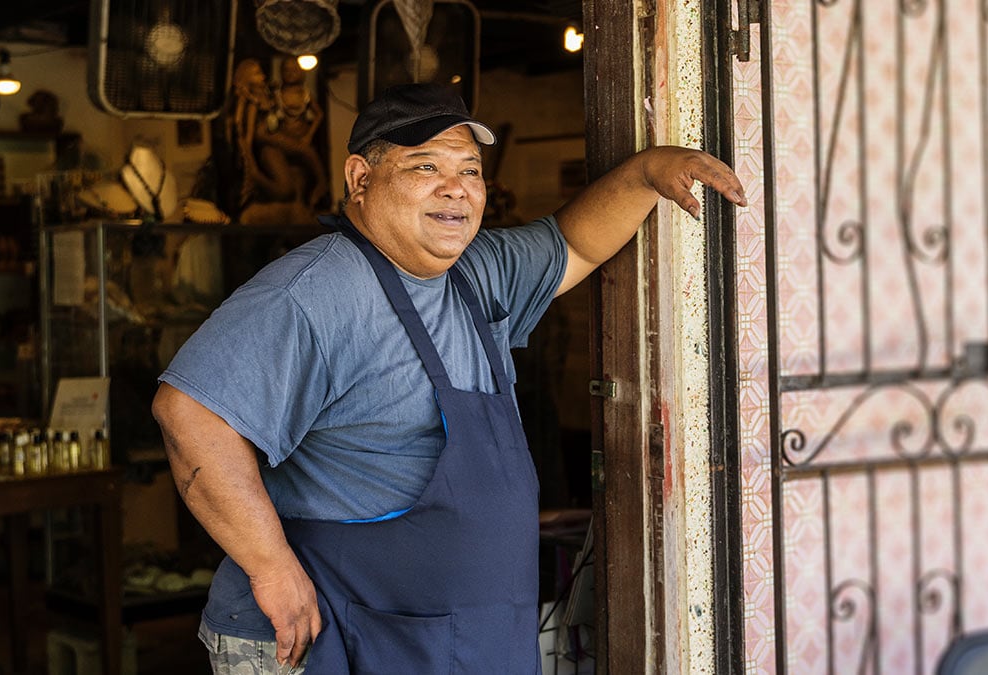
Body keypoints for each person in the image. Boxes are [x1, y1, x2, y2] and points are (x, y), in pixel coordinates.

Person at [152, 82, 746, 673]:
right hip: (324, 636)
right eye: (425, 166)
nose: (455, 187)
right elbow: (190, 414)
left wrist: (648, 172)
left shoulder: (474, 271)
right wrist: (271, 566)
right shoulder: (315, 293)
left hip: (448, 638)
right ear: (360, 179)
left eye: (470, 169)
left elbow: (575, 244)